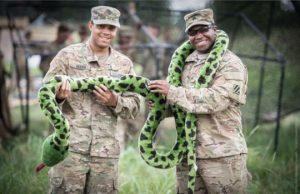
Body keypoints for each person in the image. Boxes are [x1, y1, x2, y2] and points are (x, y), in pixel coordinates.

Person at [149, 9, 251, 194]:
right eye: (192, 32)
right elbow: (179, 103)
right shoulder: (185, 63)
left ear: (214, 29)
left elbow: (216, 100)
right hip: (187, 155)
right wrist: (161, 107)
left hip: (222, 156)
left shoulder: (230, 63)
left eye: (203, 29)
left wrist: (172, 92)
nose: (199, 35)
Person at [43, 6, 140, 194]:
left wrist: (114, 101)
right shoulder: (67, 56)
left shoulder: (124, 64)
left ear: (116, 30)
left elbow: (135, 107)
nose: (106, 32)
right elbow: (45, 96)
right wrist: (59, 97)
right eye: (101, 26)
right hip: (70, 150)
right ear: (91, 25)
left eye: (111, 28)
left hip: (106, 154)